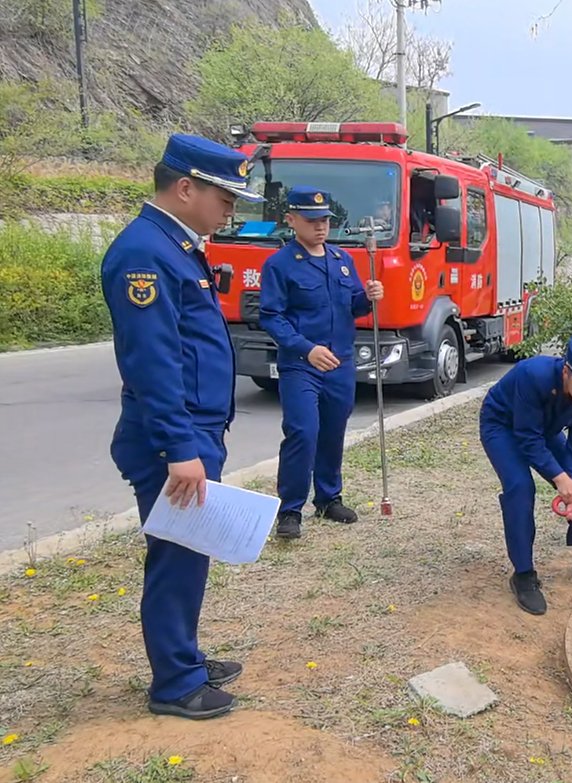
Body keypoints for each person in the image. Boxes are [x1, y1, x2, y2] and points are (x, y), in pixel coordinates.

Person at [101, 133, 264, 720]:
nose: (231, 209)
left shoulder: (174, 244)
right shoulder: (146, 252)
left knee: (188, 553)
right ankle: (174, 684)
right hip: (174, 436)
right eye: (224, 198)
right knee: (178, 555)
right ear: (186, 187)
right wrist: (179, 447)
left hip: (192, 431)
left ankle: (184, 656)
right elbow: (153, 360)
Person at [259, 186, 385, 540]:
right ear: (291, 220)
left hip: (340, 363)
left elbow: (354, 306)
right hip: (302, 364)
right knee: (302, 431)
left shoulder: (341, 260)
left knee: (333, 432)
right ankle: (290, 509)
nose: (320, 226)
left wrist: (369, 298)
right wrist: (305, 348)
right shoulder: (280, 265)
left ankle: (329, 498)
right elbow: (271, 316)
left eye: (325, 220)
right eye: (311, 220)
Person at [479, 333, 572, 615]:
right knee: (520, 487)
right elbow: (526, 437)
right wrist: (558, 477)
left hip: (545, 429)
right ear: (567, 372)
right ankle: (524, 575)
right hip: (503, 426)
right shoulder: (533, 375)